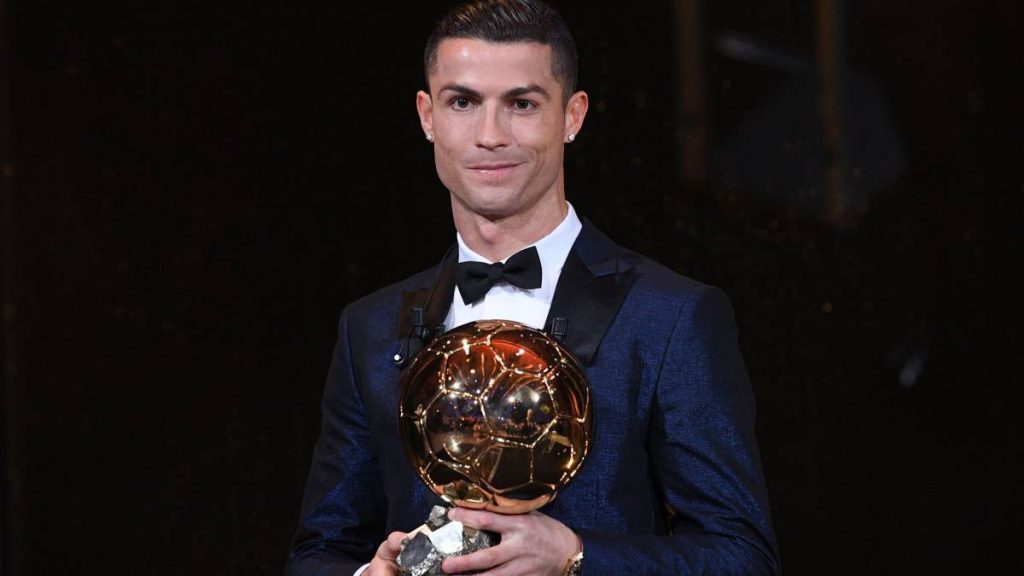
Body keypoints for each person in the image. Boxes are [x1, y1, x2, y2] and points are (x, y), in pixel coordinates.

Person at [285, 0, 779, 574]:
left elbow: (743, 558)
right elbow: (319, 553)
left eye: (521, 104)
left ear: (572, 116)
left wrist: (576, 556)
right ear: (427, 116)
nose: (490, 135)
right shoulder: (367, 329)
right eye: (462, 102)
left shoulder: (671, 317)